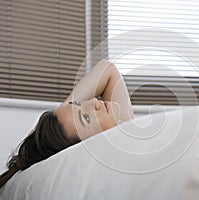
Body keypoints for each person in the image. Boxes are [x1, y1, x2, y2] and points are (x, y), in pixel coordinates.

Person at [0, 59, 134, 189]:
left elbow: (107, 69)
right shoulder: (126, 148)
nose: (93, 101)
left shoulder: (123, 130)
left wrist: (46, 129)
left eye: (79, 104)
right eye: (87, 118)